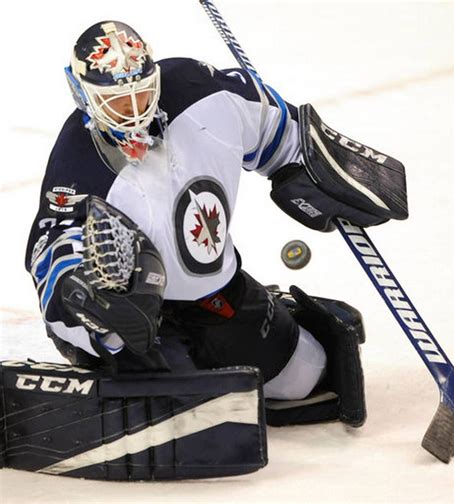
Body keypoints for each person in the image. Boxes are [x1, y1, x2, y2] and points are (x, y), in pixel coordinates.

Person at [25, 21, 407, 426]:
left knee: (305, 376)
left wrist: (315, 163)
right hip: (142, 321)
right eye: (119, 102)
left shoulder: (200, 90)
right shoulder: (77, 159)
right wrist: (92, 301)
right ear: (83, 94)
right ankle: (120, 362)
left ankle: (273, 312)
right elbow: (51, 247)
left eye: (142, 93)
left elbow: (276, 128)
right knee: (192, 409)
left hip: (218, 293)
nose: (135, 111)